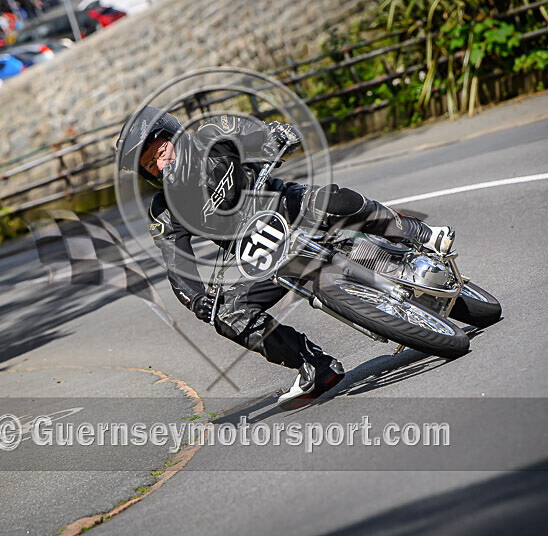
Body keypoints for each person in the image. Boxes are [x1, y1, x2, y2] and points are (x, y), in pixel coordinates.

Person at [116, 107, 455, 409]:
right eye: (150, 165)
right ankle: (312, 364)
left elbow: (255, 134)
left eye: (160, 153)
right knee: (228, 316)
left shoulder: (213, 136)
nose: (160, 166)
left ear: (175, 136)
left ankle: (421, 234)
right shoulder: (164, 211)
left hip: (288, 208)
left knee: (333, 200)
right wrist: (197, 300)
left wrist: (277, 135)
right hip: (261, 256)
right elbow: (177, 264)